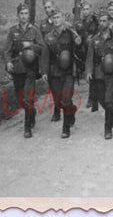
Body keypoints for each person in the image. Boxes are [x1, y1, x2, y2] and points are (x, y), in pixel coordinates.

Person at [4, 4, 45, 138]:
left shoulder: (34, 30)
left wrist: (31, 45)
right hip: (17, 69)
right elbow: (7, 50)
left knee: (27, 99)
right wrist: (8, 62)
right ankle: (31, 112)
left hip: (30, 69)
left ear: (29, 15)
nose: (24, 16)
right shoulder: (12, 31)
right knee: (21, 100)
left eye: (26, 13)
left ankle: (27, 128)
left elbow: (42, 48)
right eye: (21, 13)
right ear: (18, 15)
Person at [40, 9, 82, 137]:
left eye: (59, 17)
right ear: (51, 20)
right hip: (55, 73)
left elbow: (79, 52)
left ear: (63, 18)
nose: (57, 20)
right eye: (54, 18)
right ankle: (72, 111)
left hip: (68, 72)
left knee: (66, 99)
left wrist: (79, 43)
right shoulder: (48, 37)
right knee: (58, 101)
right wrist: (44, 72)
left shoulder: (70, 33)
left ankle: (65, 129)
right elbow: (45, 55)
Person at [85, 9, 113, 139]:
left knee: (109, 100)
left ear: (109, 22)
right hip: (99, 73)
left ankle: (107, 128)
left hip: (112, 73)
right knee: (102, 99)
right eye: (100, 21)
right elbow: (90, 57)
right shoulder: (94, 39)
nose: (102, 23)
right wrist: (89, 72)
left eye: (104, 21)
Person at [74, 3, 99, 109]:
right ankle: (92, 97)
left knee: (94, 73)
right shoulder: (79, 23)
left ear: (91, 9)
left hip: (95, 50)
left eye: (87, 9)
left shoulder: (96, 21)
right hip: (84, 51)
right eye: (83, 9)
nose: (85, 11)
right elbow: (76, 36)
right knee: (89, 74)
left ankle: (92, 98)